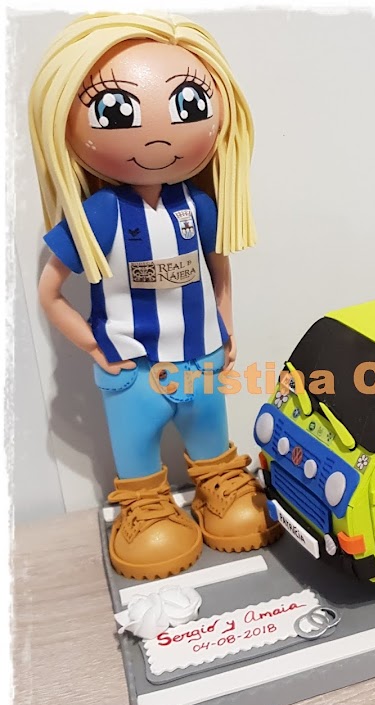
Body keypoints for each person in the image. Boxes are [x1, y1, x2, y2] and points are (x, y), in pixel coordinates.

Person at [30, 13, 280, 580]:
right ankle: (144, 505)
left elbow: (219, 268)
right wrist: (94, 347)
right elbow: (50, 293)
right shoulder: (100, 213)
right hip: (133, 368)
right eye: (118, 111)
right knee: (137, 451)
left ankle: (218, 483)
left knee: (210, 436)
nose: (160, 135)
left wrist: (225, 327)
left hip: (201, 357)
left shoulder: (198, 204)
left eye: (188, 105)